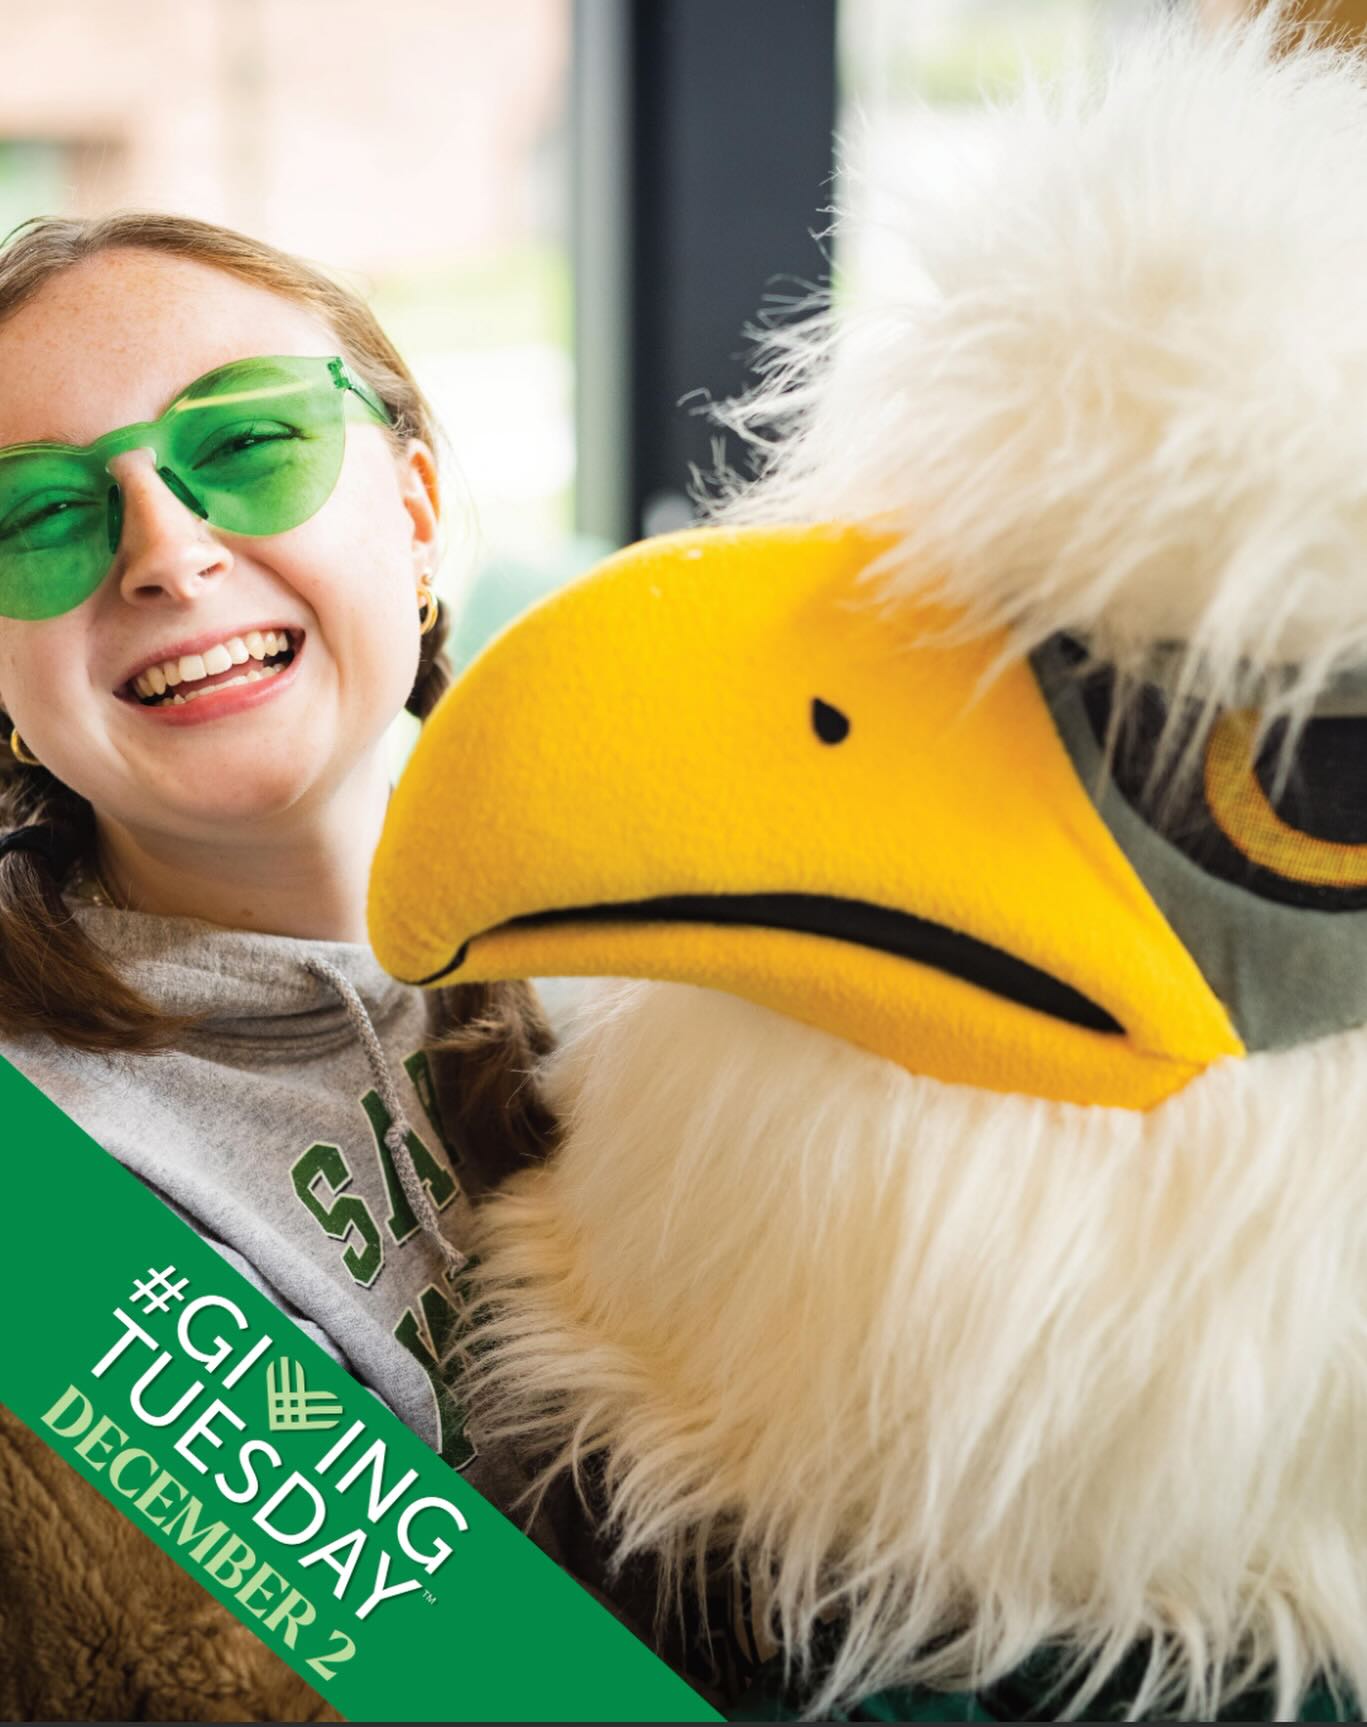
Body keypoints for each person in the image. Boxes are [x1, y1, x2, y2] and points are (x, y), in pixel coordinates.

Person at [0, 210, 564, 1721]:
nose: (168, 553)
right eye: (37, 519)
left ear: (421, 504)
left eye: (249, 445)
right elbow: (482, 1687)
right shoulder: (25, 1178)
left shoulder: (701, 938)